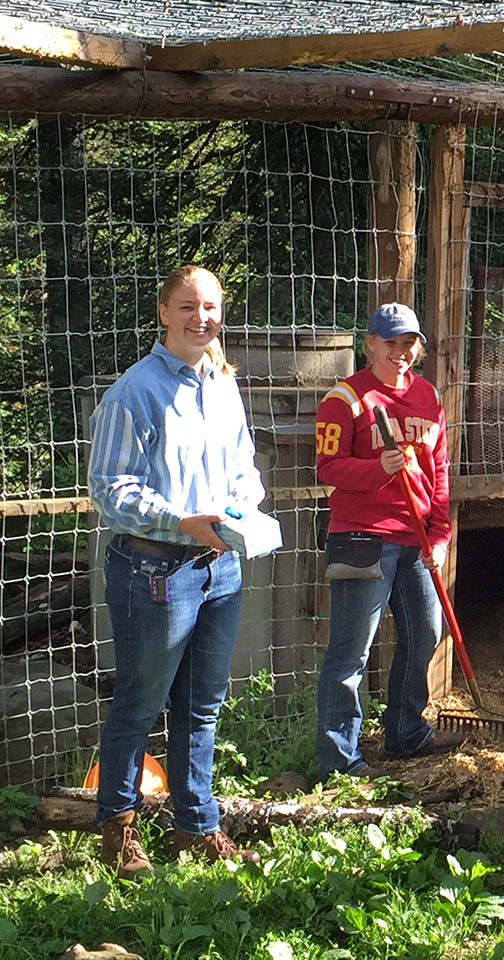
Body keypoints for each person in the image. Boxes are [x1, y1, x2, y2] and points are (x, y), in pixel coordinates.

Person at [88, 264, 265, 878]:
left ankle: (197, 828)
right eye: (187, 306)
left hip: (220, 567)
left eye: (211, 306)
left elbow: (244, 462)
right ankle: (118, 833)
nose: (201, 318)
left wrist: (243, 507)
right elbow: (111, 490)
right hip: (153, 571)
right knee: (139, 704)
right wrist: (182, 520)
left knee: (202, 707)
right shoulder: (133, 392)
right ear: (163, 312)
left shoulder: (222, 383)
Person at [313, 302, 463, 782]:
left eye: (409, 343)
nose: (400, 352)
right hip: (362, 538)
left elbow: (438, 473)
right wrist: (377, 469)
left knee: (425, 632)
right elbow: (327, 468)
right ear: (370, 343)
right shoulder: (346, 399)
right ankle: (340, 760)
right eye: (391, 342)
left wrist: (440, 534)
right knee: (351, 650)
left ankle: (405, 732)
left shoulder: (428, 398)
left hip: (417, 539)